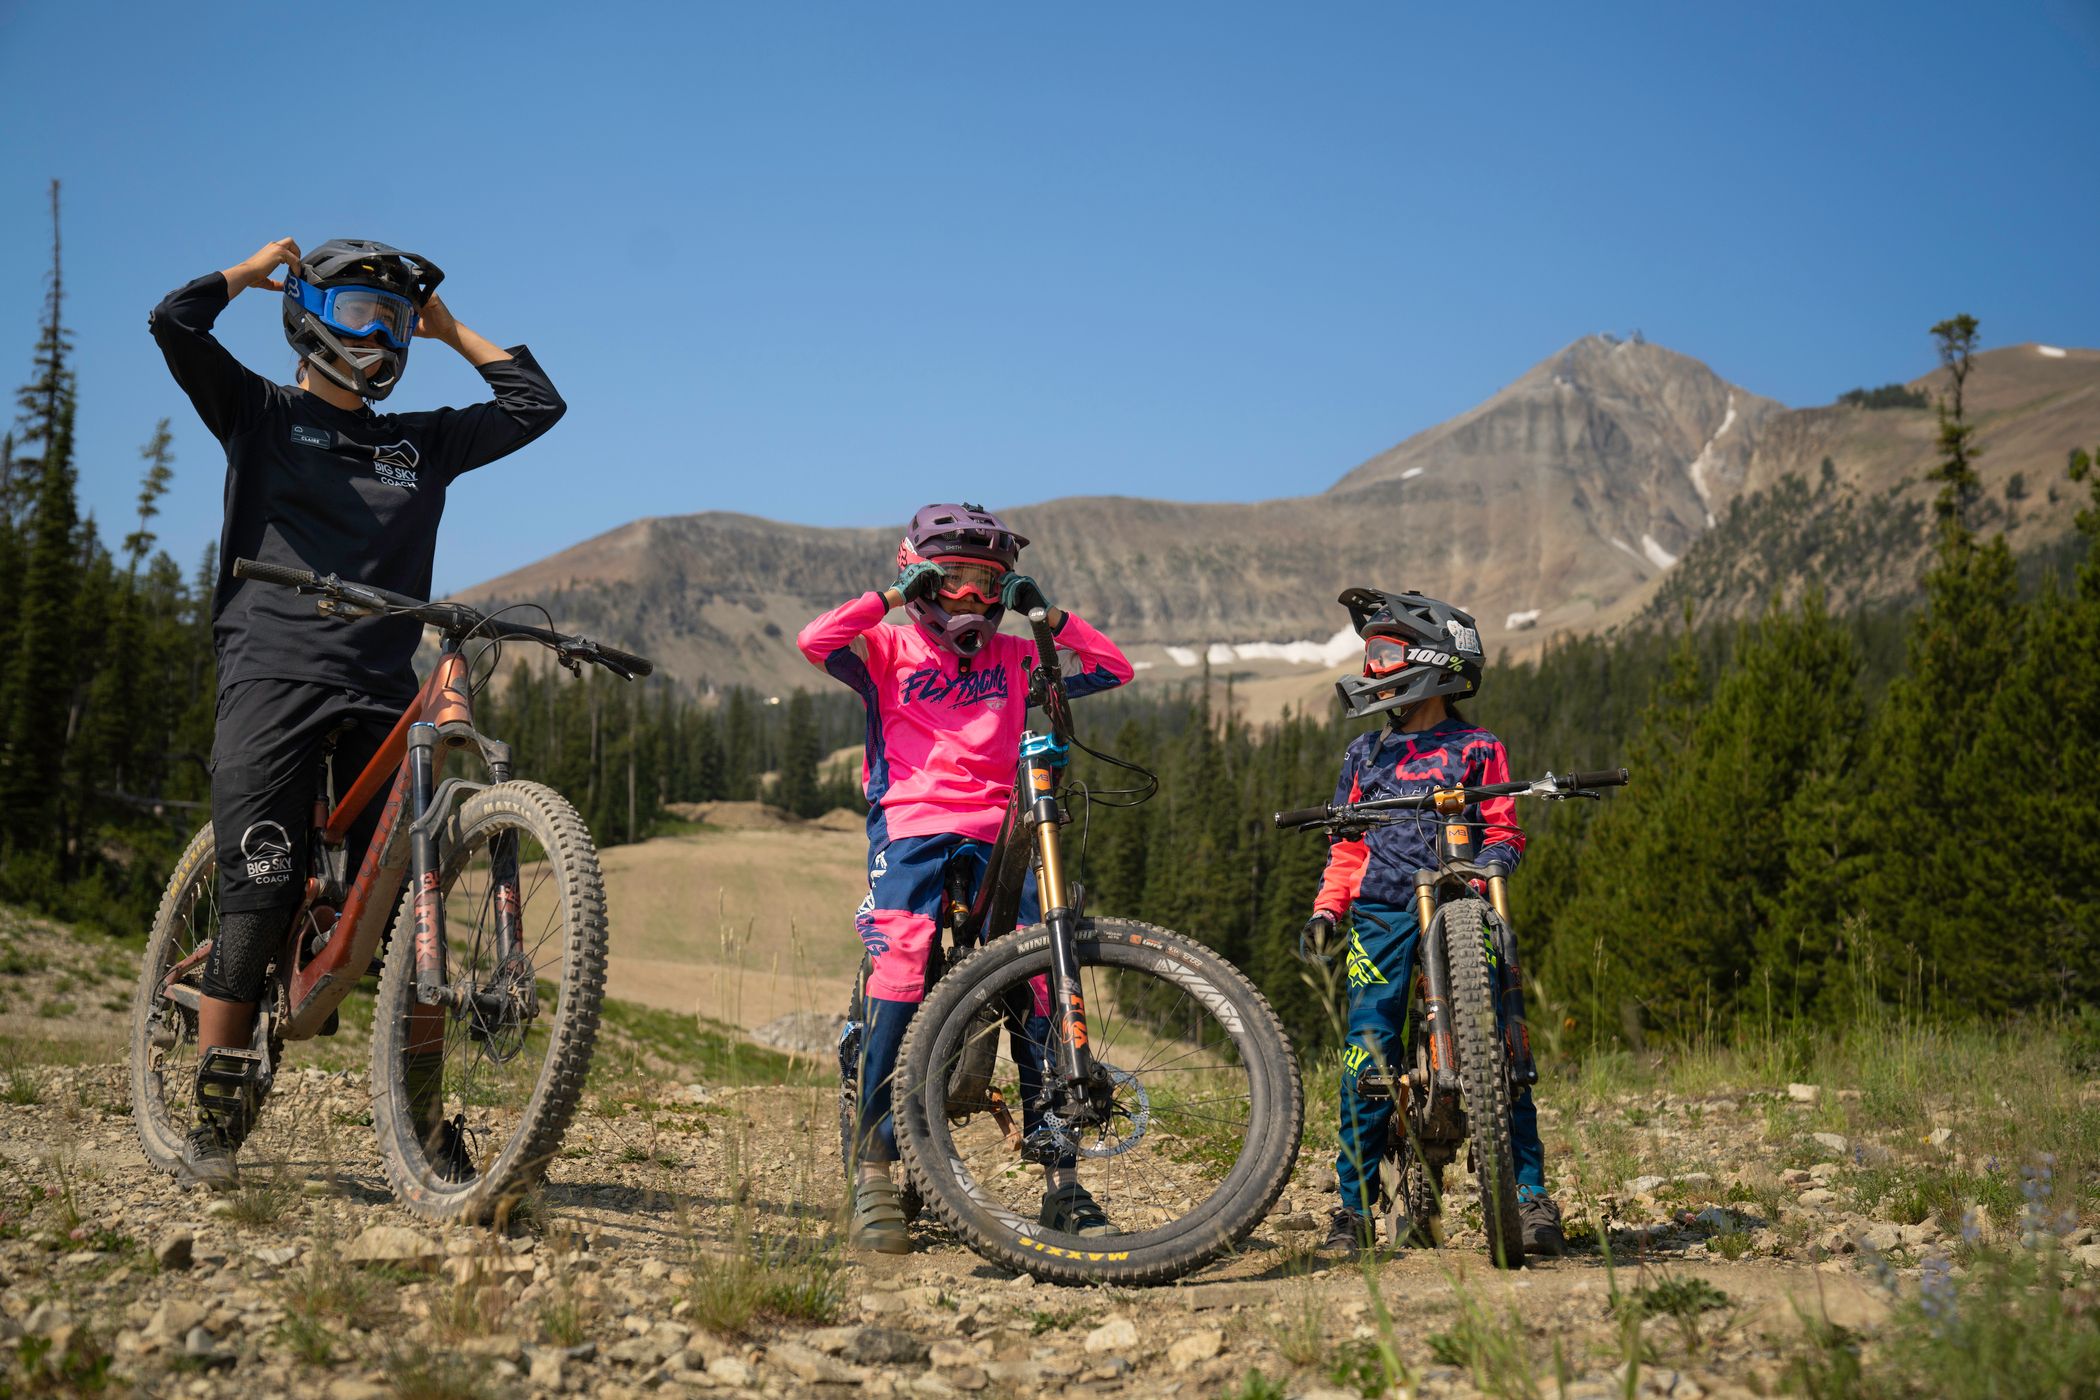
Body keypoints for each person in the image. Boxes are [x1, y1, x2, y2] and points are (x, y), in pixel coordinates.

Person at [149, 237, 566, 1189]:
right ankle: (216, 1106)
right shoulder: (258, 412)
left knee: (410, 906)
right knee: (263, 883)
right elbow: (174, 325)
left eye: (394, 319)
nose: (379, 335)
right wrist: (248, 274)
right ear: (308, 317)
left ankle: (421, 1126)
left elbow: (535, 405)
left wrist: (449, 328)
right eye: (359, 313)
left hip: (381, 688)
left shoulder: (417, 445)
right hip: (273, 674)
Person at [797, 503, 1134, 1253]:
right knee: (900, 964)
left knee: (1038, 974)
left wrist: (1045, 616)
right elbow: (815, 641)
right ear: (919, 574)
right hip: (910, 825)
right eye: (951, 579)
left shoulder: (1014, 656)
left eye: (988, 582)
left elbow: (1114, 669)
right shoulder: (886, 647)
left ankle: (1062, 1175)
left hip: (1002, 826)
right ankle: (873, 1166)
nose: (971, 598)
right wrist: (891, 597)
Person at [1297, 587, 1565, 1257]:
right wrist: (1329, 907)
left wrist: (1492, 864)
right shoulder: (1364, 755)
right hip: (1382, 912)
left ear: (1434, 662)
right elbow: (1348, 846)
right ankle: (1354, 1208)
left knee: (1504, 1048)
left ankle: (1528, 1195)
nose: (1373, 668)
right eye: (1371, 655)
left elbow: (1503, 828)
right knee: (1367, 1052)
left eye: (1385, 653)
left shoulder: (1479, 747)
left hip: (1463, 904)